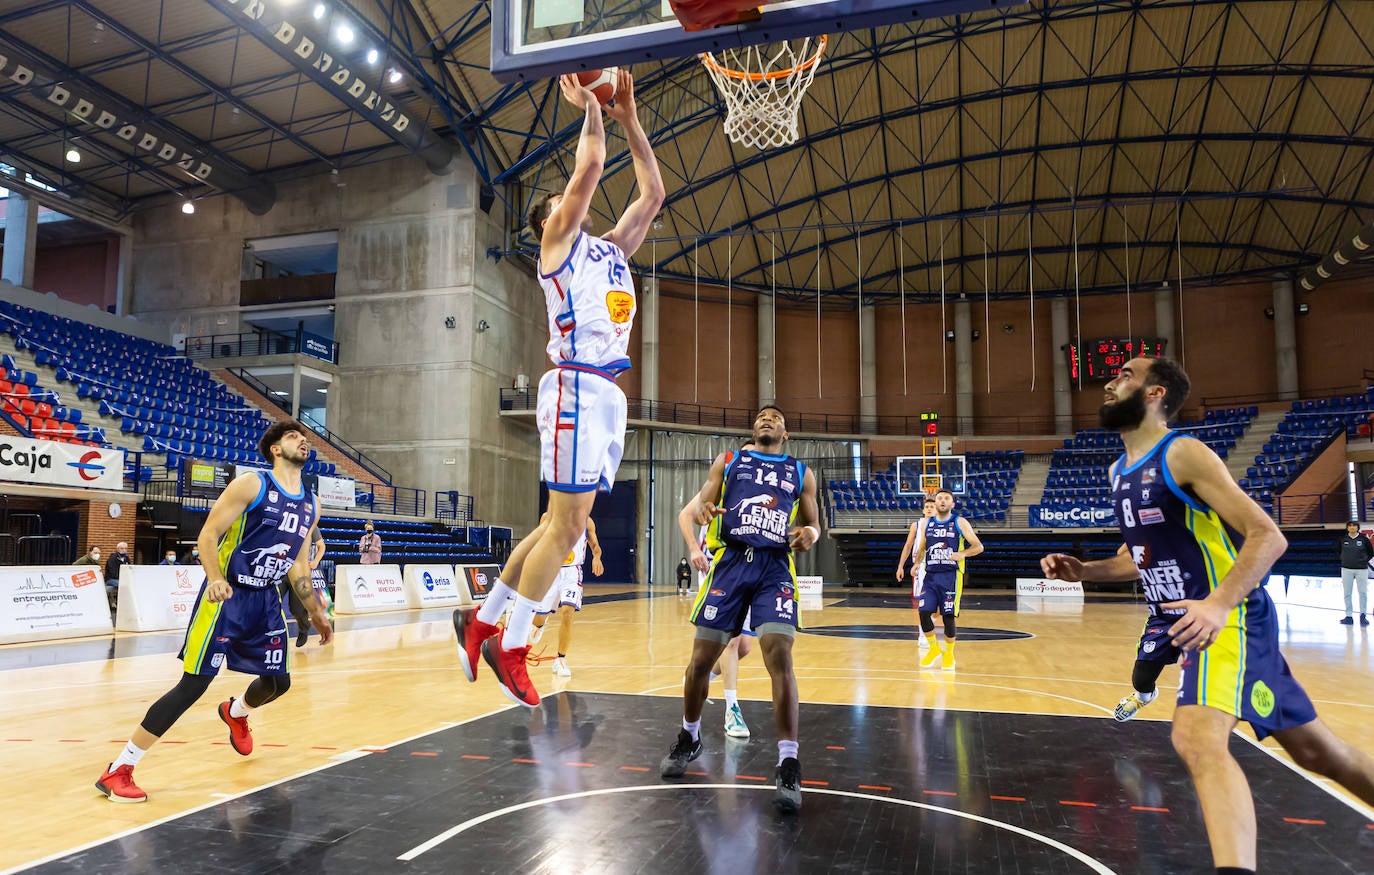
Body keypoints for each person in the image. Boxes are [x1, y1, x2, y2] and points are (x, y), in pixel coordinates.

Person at [1040, 357, 1374, 875]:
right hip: (1197, 619)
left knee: (1195, 737)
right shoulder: (1117, 471)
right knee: (1318, 755)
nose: (1110, 381)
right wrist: (1085, 571)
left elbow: (1269, 535)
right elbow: (1139, 557)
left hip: (1229, 616)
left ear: (1155, 394)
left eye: (1125, 373)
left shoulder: (1182, 453)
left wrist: (1218, 604)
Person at [452, 68, 663, 709]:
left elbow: (652, 193)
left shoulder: (612, 251)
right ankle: (512, 644)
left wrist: (629, 115)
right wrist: (592, 109)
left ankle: (482, 619)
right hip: (574, 384)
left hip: (606, 394)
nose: (570, 204)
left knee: (555, 526)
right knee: (568, 532)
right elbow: (592, 165)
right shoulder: (557, 247)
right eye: (562, 201)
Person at [94, 421, 333, 803]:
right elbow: (208, 534)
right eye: (292, 436)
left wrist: (316, 610)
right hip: (226, 597)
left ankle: (236, 712)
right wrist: (215, 577)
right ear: (274, 448)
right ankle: (119, 768)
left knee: (279, 682)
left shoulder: (311, 502)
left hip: (266, 600)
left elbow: (298, 564)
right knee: (193, 685)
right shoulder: (252, 485)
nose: (303, 440)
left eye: (305, 437)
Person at [660, 406, 821, 813]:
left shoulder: (801, 472)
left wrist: (810, 533)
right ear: (753, 428)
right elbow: (700, 507)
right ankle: (690, 736)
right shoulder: (729, 461)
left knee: (779, 655)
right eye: (762, 416)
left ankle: (788, 760)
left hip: (774, 569)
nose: (767, 419)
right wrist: (704, 511)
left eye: (776, 417)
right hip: (729, 564)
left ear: (786, 432)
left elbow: (815, 523)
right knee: (701, 660)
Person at [677, 442, 760, 741]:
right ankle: (732, 710)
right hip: (717, 570)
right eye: (744, 453)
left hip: (748, 571)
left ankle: (702, 677)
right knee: (732, 641)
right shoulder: (719, 485)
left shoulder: (763, 494)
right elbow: (684, 515)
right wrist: (692, 549)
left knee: (745, 647)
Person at [913, 490, 983, 671]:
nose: (942, 501)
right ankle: (934, 648)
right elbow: (923, 546)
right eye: (939, 498)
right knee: (923, 612)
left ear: (952, 504)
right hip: (930, 575)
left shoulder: (959, 522)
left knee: (948, 617)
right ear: (935, 503)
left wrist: (963, 553)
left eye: (946, 499)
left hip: (951, 576)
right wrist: (916, 564)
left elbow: (978, 547)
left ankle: (949, 654)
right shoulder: (927, 523)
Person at [530, 514, 603, 677]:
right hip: (551, 570)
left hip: (572, 572)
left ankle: (560, 659)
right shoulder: (548, 517)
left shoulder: (587, 521)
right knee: (539, 617)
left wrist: (597, 557)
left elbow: (595, 546)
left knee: (567, 613)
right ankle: (540, 623)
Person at [896, 496, 937, 652]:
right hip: (922, 566)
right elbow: (907, 546)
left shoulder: (944, 525)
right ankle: (922, 634)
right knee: (924, 602)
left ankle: (927, 624)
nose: (929, 509)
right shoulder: (917, 525)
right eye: (927, 506)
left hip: (940, 566)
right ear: (923, 509)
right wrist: (901, 566)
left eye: (932, 507)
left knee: (943, 605)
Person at [283, 525, 328, 648]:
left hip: (300, 571)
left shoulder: (310, 523)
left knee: (296, 608)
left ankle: (303, 628)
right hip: (281, 569)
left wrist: (315, 561)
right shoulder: (281, 518)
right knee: (272, 602)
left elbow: (321, 546)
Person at [1338, 521, 1372, 625]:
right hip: (1346, 569)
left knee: (1363, 593)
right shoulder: (1343, 540)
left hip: (1361, 569)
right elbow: (1338, 551)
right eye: (1350, 526)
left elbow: (1370, 553)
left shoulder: (1364, 539)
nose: (1352, 528)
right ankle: (1349, 616)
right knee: (1347, 593)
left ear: (1357, 528)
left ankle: (1363, 616)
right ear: (1347, 528)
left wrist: (1362, 561)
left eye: (1354, 526)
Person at [104, 541, 131, 608]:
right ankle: (120, 603)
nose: (124, 550)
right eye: (122, 548)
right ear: (117, 549)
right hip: (111, 579)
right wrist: (123, 579)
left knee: (129, 584)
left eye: (125, 548)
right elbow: (113, 573)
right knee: (122, 585)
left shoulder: (126, 559)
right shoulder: (112, 559)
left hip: (122, 579)